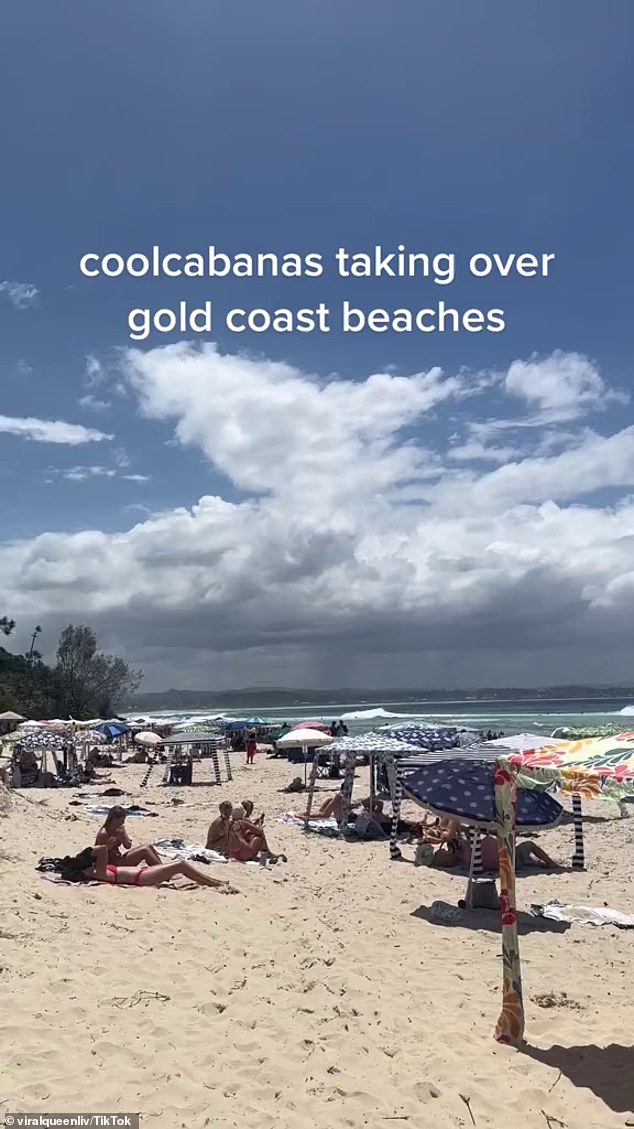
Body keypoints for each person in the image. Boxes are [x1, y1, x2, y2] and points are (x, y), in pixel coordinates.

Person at [78, 844, 238, 891]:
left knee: (180, 865)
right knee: (181, 864)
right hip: (141, 878)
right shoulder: (95, 871)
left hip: (142, 873)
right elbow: (102, 850)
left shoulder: (94, 870)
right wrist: (88, 852)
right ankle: (215, 884)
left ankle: (215, 881)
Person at [95, 805, 162, 867]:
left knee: (148, 846)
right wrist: (108, 846)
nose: (122, 822)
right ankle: (161, 871)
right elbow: (96, 854)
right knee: (144, 851)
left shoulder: (119, 829)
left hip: (119, 858)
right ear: (113, 819)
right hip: (112, 863)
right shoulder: (104, 833)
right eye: (121, 820)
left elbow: (128, 846)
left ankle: (163, 868)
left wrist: (122, 837)